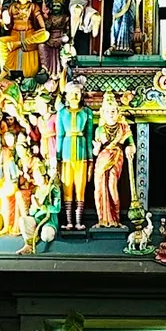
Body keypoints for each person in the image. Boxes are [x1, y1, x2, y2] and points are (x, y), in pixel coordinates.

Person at [92, 92, 135, 228]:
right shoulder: (99, 129)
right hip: (102, 159)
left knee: (112, 186)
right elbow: (95, 152)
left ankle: (115, 218)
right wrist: (96, 147)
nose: (110, 114)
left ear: (118, 112)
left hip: (116, 156)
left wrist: (130, 148)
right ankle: (103, 219)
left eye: (113, 111)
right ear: (102, 113)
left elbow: (131, 144)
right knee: (100, 188)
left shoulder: (123, 128)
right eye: (107, 111)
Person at [57, 81, 95, 230]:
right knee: (67, 189)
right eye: (72, 93)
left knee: (80, 189)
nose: (74, 96)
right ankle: (68, 221)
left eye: (77, 93)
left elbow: (89, 134)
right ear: (66, 95)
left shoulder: (87, 112)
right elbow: (60, 135)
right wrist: (58, 158)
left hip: (82, 155)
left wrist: (91, 159)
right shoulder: (62, 113)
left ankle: (79, 221)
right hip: (66, 156)